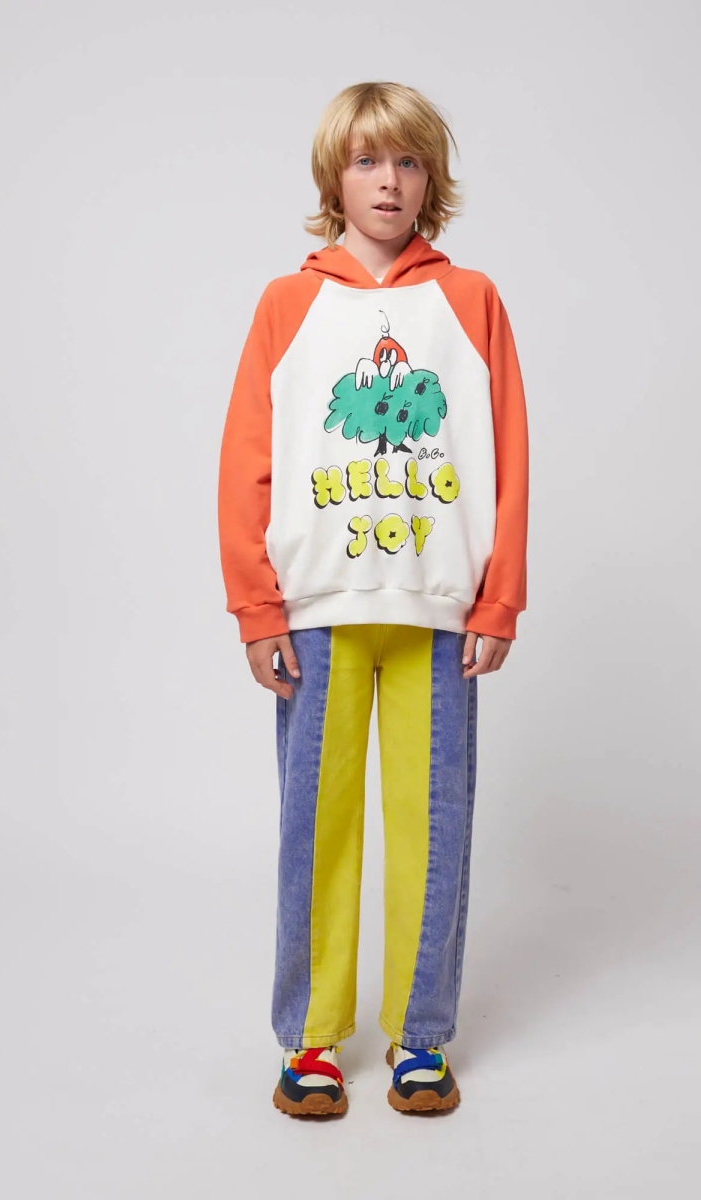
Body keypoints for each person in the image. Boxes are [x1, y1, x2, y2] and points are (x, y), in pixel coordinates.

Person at [217, 81, 529, 1116]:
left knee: (435, 828)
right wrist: (256, 607)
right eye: (365, 161)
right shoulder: (288, 304)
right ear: (334, 178)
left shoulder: (471, 301)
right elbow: (247, 460)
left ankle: (419, 1035)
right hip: (319, 613)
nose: (387, 182)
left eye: (406, 161)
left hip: (437, 614)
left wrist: (500, 598)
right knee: (318, 828)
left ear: (430, 179)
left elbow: (511, 453)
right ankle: (310, 1038)